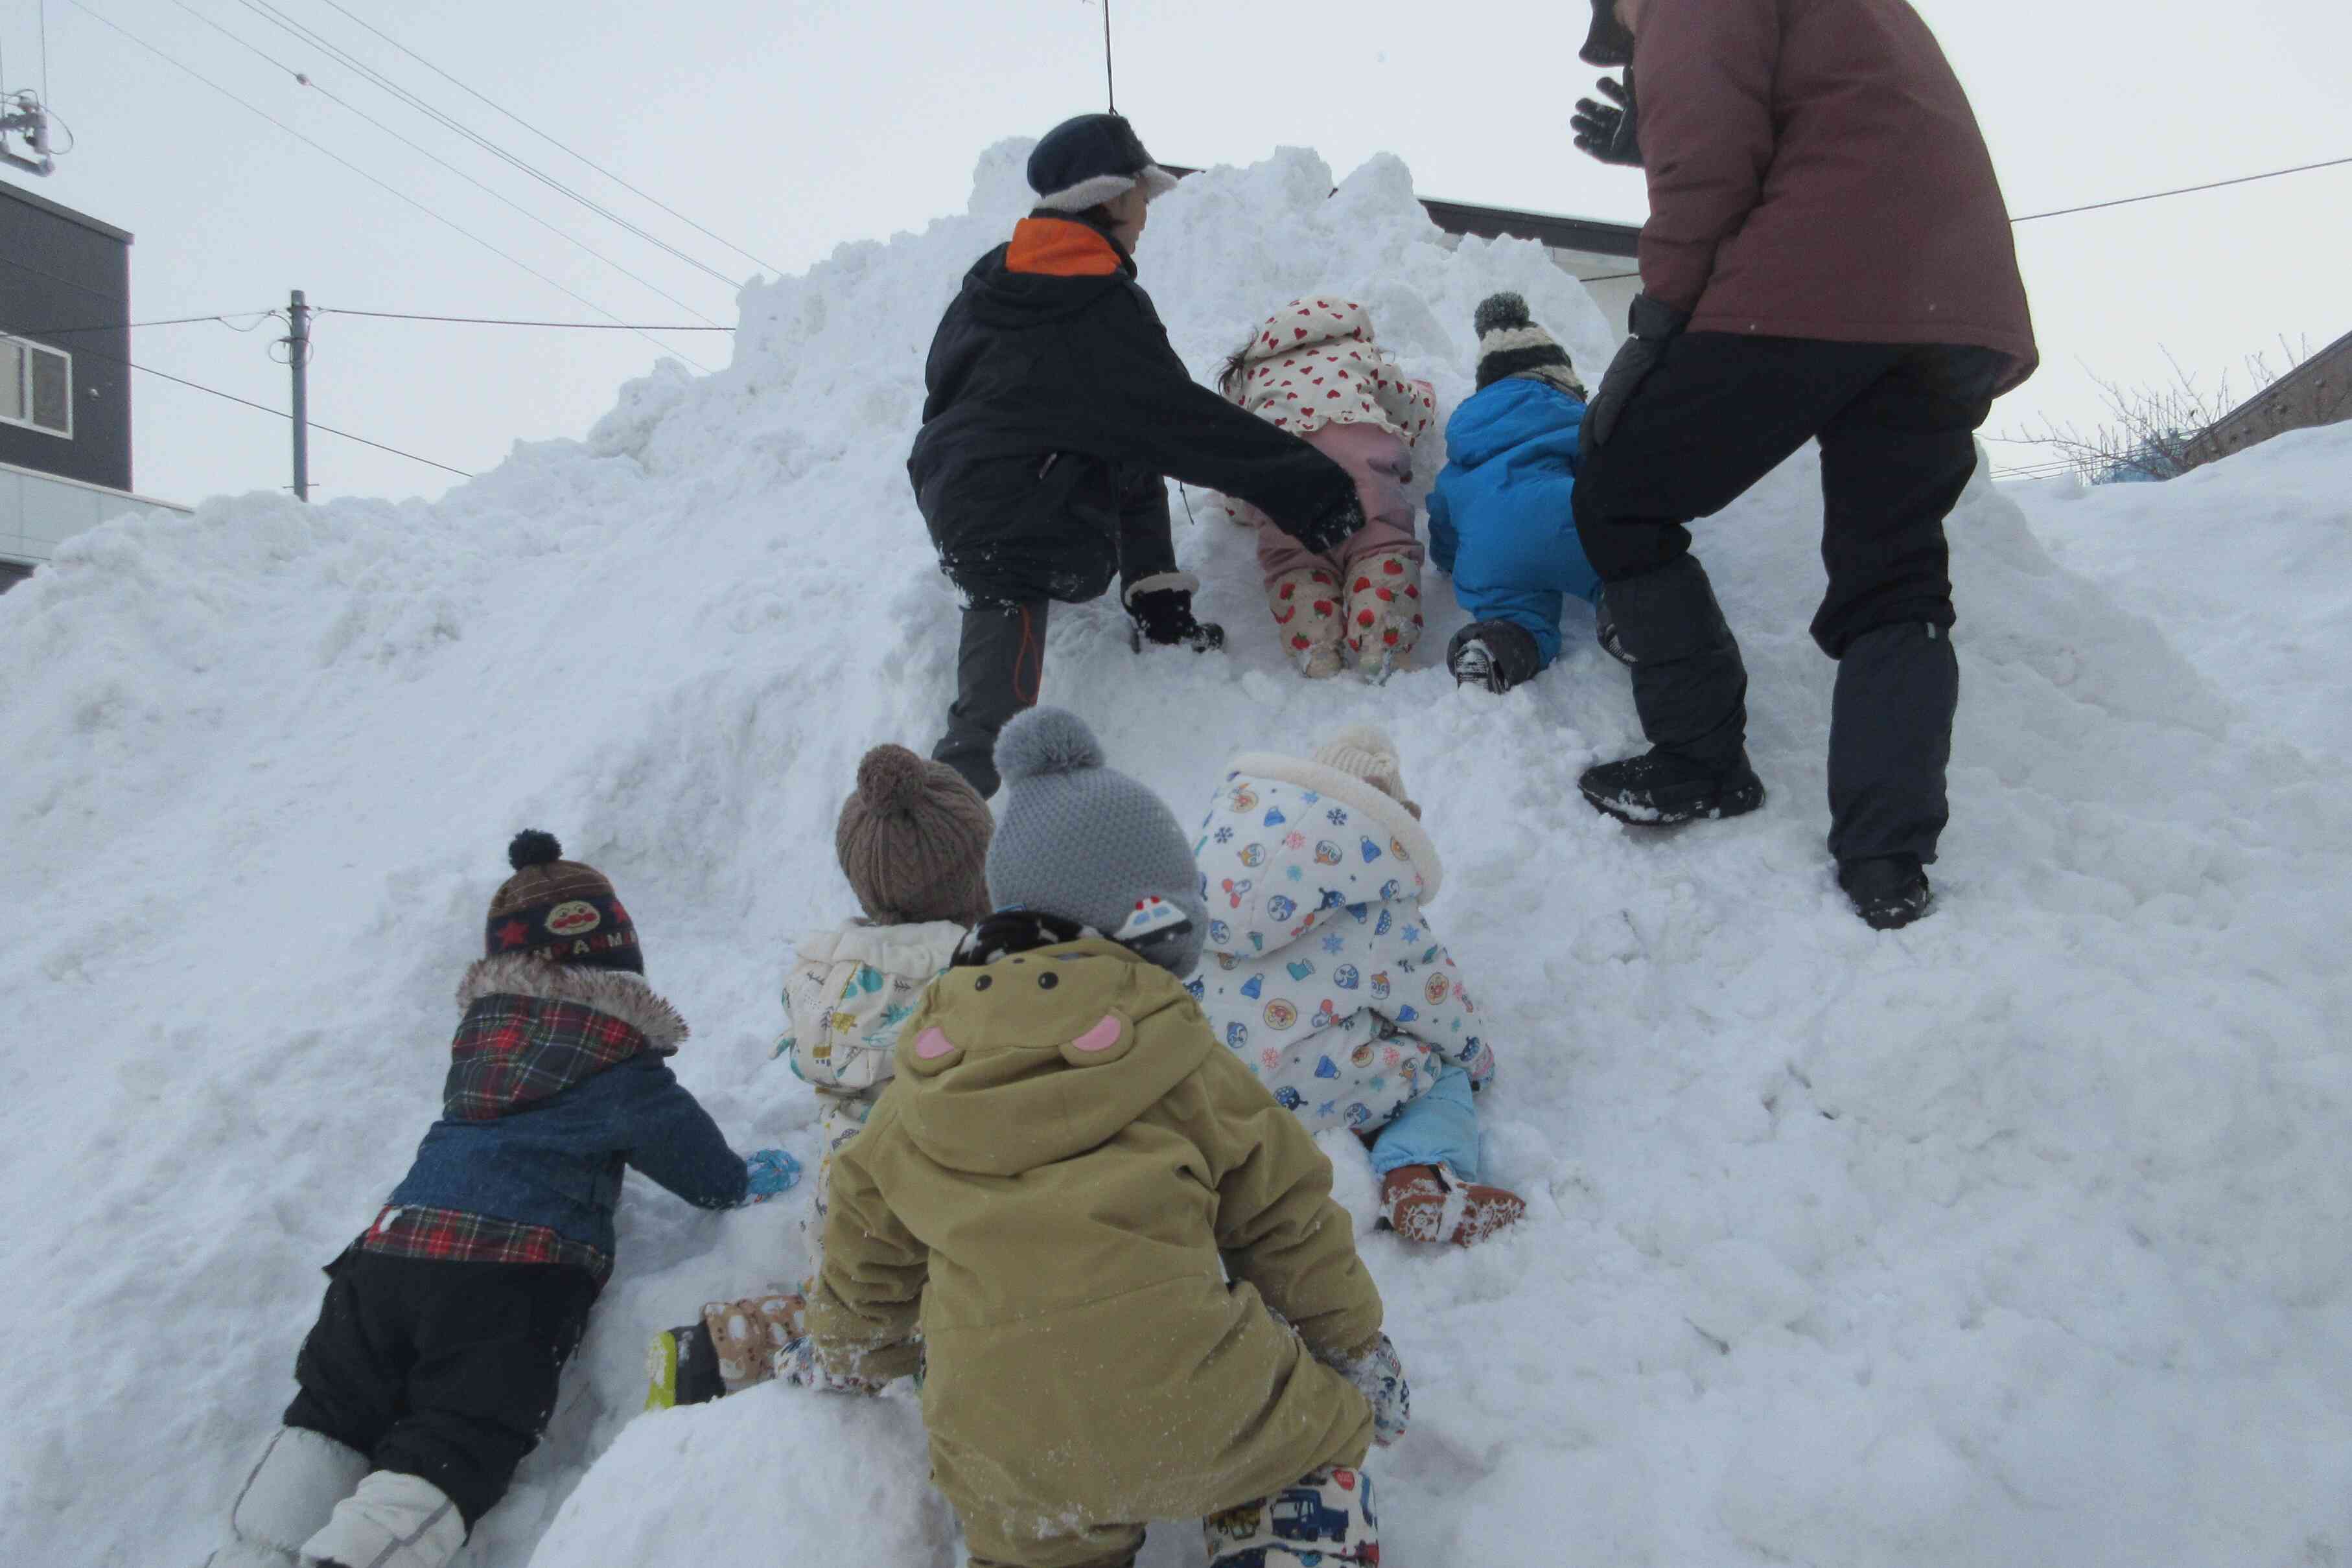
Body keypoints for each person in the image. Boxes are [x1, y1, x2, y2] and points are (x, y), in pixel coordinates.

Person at [797, 707, 1406, 1568]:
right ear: (1152, 919)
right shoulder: (1180, 1052)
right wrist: (1352, 1343)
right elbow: (1286, 1215)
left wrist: (860, 1346)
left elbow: (864, 1227)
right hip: (1202, 1401)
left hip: (1006, 1446)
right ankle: (1283, 1527)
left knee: (1028, 1533)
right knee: (1307, 1440)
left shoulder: (923, 1072)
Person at [1566, 0, 2037, 928]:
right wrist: (1655, 129)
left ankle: (1702, 764)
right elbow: (1843, 110)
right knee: (1894, 575)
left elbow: (1706, 154)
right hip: (1951, 302)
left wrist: (1660, 314)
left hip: (1815, 283)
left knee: (1619, 494)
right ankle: (1886, 856)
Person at [212, 833, 795, 1568]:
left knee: (331, 1412)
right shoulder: (617, 1055)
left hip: (386, 1255)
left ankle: (250, 1552)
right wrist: (744, 1182)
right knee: (454, 1437)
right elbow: (698, 1166)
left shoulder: (478, 1040)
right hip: (507, 1278)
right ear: (619, 966)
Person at [911, 113, 1368, 798]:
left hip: (953, 488)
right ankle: (934, 827)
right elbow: (1182, 423)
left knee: (1111, 443)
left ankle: (1156, 606)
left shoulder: (989, 282)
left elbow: (944, 385)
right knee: (990, 721)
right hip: (1024, 519)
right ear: (1108, 198)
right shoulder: (1097, 303)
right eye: (1141, 199)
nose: (1146, 218)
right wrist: (1313, 490)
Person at [643, 744, 992, 1410]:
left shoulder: (830, 978)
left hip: (844, 1239)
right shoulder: (975, 981)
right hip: (940, 1249)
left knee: (849, 1312)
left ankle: (720, 1348)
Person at [1189, 724, 1526, 1245]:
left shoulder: (1211, 864)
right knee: (1435, 1076)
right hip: (1291, 1082)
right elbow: (1431, 999)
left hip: (1193, 1068)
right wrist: (1475, 1061)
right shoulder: (1375, 900)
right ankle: (1423, 1178)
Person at [1216, 297, 1438, 678]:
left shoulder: (1249, 380)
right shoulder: (1360, 354)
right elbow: (1413, 413)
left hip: (1286, 495)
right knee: (1381, 549)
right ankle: (1383, 637)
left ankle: (1314, 638)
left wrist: (1243, 510)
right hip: (1363, 486)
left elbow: (1237, 457)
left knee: (1296, 564)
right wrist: (1426, 392)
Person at [1428, 293, 1618, 692]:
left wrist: (1446, 559)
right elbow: (1601, 473)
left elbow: (1443, 514)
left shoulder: (1465, 441)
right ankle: (1629, 618)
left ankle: (1493, 649)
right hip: (1564, 520)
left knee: (1514, 617)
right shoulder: (1571, 416)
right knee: (1619, 571)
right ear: (1560, 378)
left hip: (1489, 554)